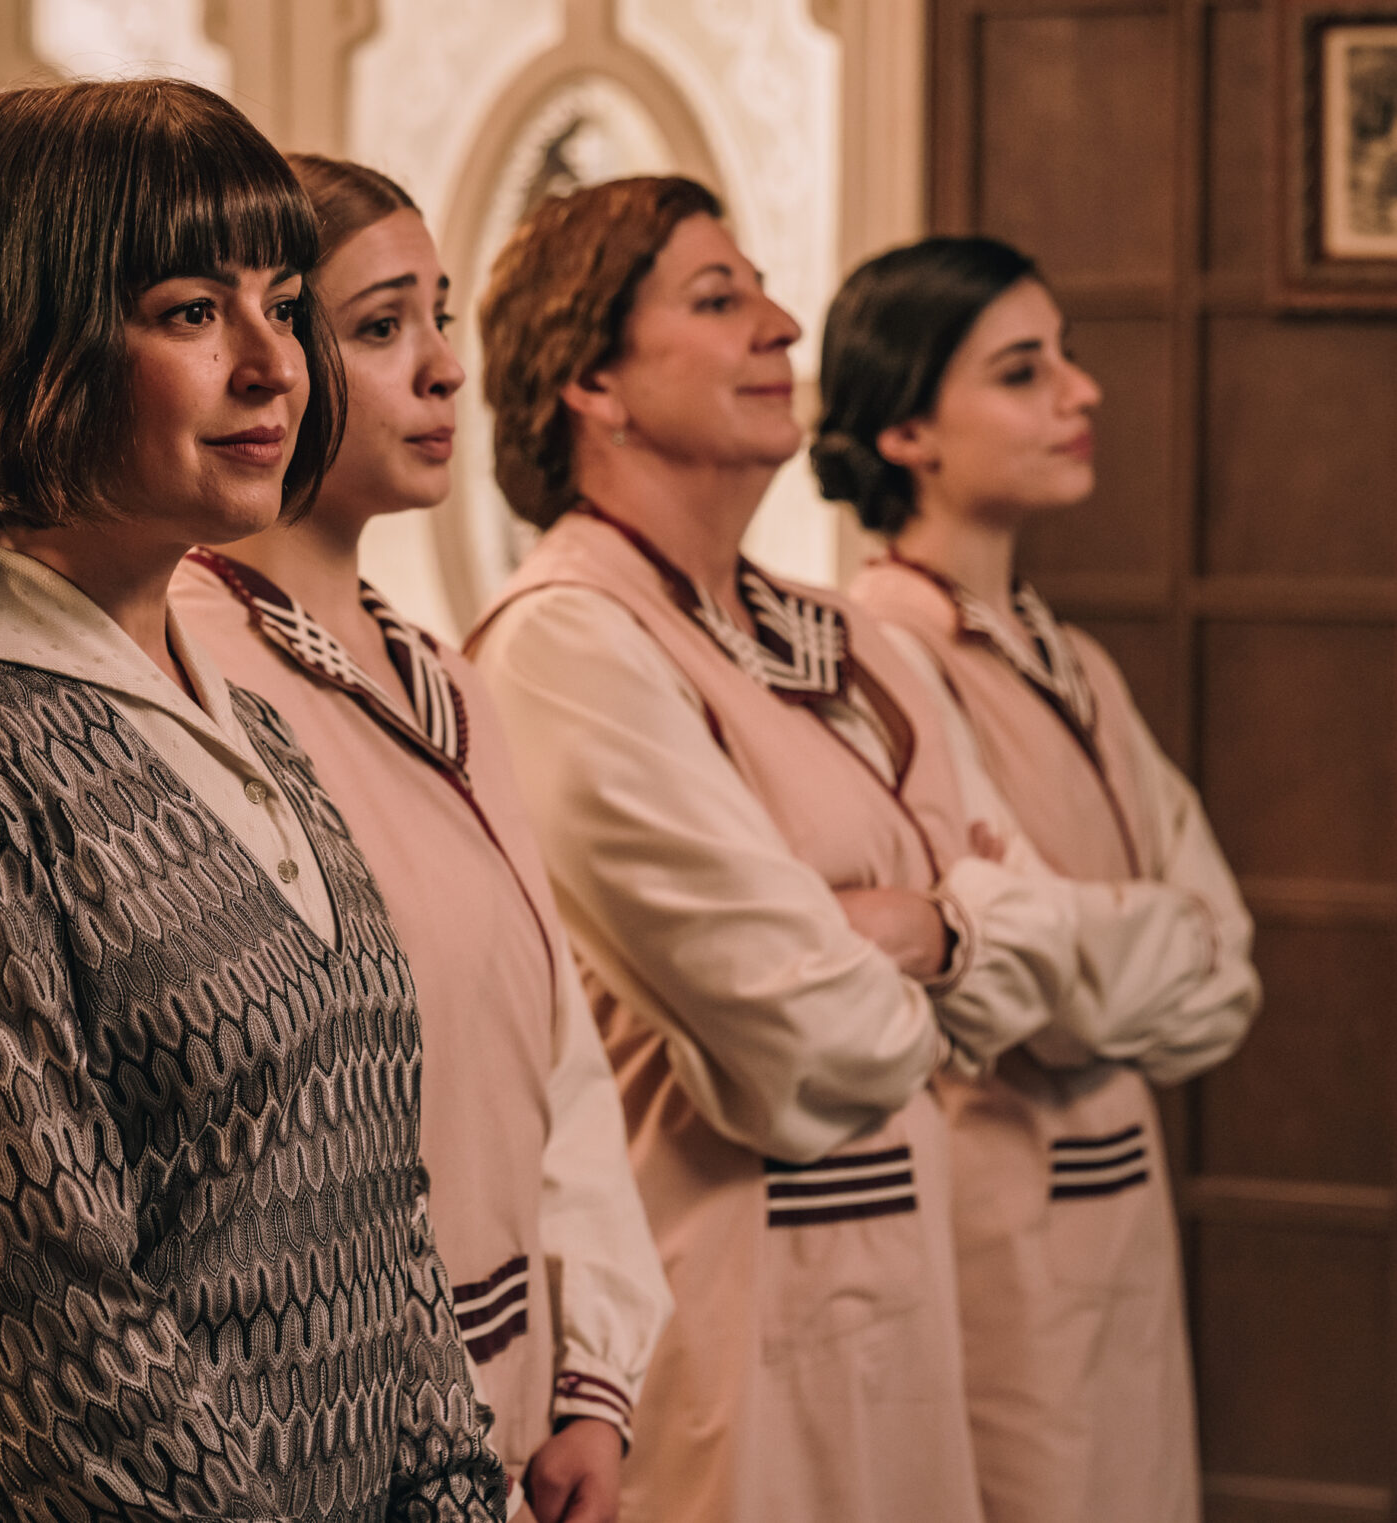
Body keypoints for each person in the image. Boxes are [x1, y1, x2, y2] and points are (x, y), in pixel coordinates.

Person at [0, 80, 507, 1522]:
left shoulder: (246, 713)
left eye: (285, 306)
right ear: (35, 345)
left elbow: (383, 1201)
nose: (274, 366)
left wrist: (454, 1491)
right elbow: (60, 1349)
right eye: (192, 311)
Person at [464, 176, 1163, 1523]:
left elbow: (1027, 950)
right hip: (724, 1317)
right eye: (717, 299)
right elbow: (800, 1040)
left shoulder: (843, 638)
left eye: (763, 292)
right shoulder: (565, 640)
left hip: (912, 1296)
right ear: (592, 382)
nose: (782, 326)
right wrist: (959, 951)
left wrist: (926, 929)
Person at [172, 155, 672, 1523]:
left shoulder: (447, 678)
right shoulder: (189, 677)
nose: (447, 369)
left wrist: (593, 1384)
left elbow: (557, 1051)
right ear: (268, 361)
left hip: (521, 1412)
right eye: (383, 326)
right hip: (330, 1439)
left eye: (439, 318)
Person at [818, 235, 1262, 1523]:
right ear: (907, 429)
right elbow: (1013, 977)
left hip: (1125, 1207)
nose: (1081, 392)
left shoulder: (1074, 661)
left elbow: (1228, 969)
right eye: (1023, 371)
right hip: (990, 1218)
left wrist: (1108, 945)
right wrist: (1144, 940)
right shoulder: (879, 655)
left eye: (1066, 356)